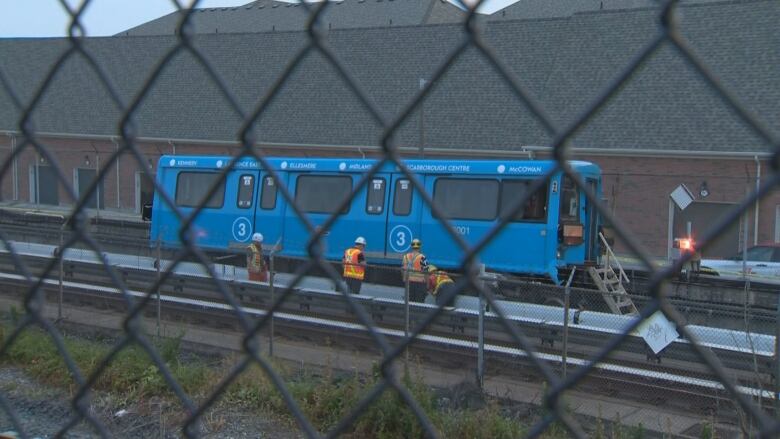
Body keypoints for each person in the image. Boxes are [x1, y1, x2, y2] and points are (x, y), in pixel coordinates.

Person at [402, 238, 428, 302]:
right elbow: (426, 272)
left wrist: (404, 279)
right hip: (420, 284)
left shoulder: (406, 256)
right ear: (420, 246)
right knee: (419, 303)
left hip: (409, 283)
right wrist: (427, 285)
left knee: (409, 303)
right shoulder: (422, 257)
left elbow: (403, 270)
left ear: (411, 246)